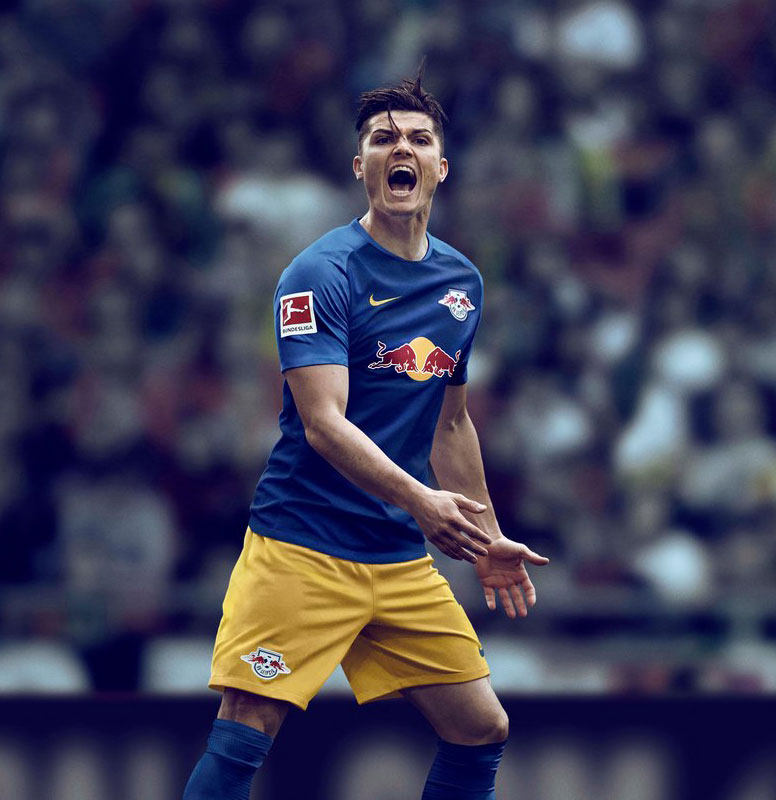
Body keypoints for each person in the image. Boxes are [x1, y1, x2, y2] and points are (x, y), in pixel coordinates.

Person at [183, 66, 549, 800]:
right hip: (302, 546)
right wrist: (422, 502)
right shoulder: (319, 273)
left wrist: (487, 537)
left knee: (481, 727)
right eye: (383, 139)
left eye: (418, 139)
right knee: (247, 726)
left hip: (396, 557)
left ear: (440, 168)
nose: (400, 148)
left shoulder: (462, 284)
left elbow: (451, 421)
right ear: (361, 167)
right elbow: (323, 424)